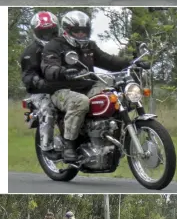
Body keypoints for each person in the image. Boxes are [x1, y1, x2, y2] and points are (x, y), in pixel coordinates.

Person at [42, 10, 147, 162]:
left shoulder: (89, 46)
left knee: (115, 96)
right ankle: (69, 144)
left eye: (84, 31)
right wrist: (62, 71)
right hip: (61, 90)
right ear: (66, 30)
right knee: (80, 102)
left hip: (88, 86)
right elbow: (48, 67)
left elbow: (108, 60)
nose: (80, 34)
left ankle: (108, 134)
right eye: (76, 31)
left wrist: (132, 62)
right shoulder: (54, 46)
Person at [21, 11, 60, 152]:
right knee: (48, 109)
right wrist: (38, 82)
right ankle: (47, 147)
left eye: (51, 32)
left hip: (62, 88)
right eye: (44, 33)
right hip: (40, 92)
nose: (48, 36)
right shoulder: (31, 52)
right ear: (36, 33)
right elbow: (27, 75)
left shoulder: (61, 47)